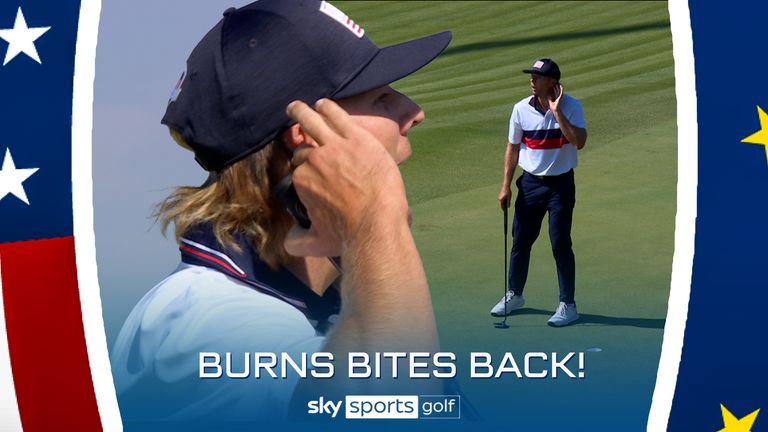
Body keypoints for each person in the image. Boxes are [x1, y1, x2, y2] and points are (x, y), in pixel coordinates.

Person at [109, 0, 452, 423]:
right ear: (308, 138)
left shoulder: (313, 302)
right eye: (382, 98)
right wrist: (376, 223)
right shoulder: (209, 321)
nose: (414, 112)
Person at [490, 58, 587, 327]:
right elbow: (512, 148)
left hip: (560, 186)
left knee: (560, 243)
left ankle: (568, 304)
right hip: (530, 184)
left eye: (538, 77)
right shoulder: (520, 109)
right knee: (520, 241)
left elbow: (578, 142)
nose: (532, 81)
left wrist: (557, 112)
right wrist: (505, 185)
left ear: (553, 82)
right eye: (531, 76)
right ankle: (515, 294)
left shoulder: (572, 106)